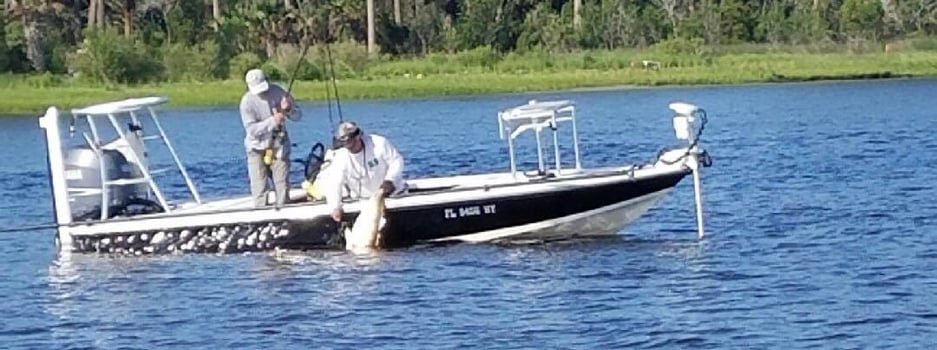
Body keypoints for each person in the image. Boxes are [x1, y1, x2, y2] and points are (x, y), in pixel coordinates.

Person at [239, 68, 303, 207]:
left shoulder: (279, 92)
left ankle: (284, 211)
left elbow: (298, 116)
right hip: (256, 148)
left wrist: (289, 109)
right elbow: (252, 130)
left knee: (282, 186)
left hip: (279, 146)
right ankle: (261, 214)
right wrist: (273, 120)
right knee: (259, 188)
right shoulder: (246, 102)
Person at [323, 121, 406, 222]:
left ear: (358, 136)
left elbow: (396, 161)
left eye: (350, 141)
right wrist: (335, 206)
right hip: (364, 201)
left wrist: (390, 180)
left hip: (392, 196)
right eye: (343, 143)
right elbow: (334, 183)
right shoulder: (340, 156)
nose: (348, 146)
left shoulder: (379, 143)